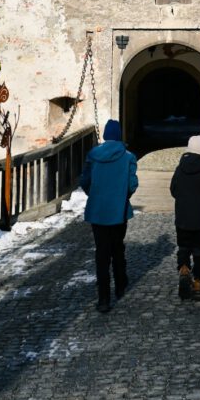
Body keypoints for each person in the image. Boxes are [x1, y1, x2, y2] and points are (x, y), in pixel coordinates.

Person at [79, 119, 138, 313]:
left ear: (105, 135)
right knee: (118, 248)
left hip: (98, 212)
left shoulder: (93, 155)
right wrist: (122, 196)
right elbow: (132, 184)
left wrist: (95, 194)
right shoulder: (128, 157)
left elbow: (85, 181)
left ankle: (103, 298)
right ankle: (120, 285)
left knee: (101, 253)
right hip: (118, 211)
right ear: (119, 135)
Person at [170, 135, 200, 301]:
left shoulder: (179, 170)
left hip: (182, 217)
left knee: (183, 246)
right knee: (199, 249)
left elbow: (173, 190)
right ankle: (198, 282)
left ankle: (183, 269)